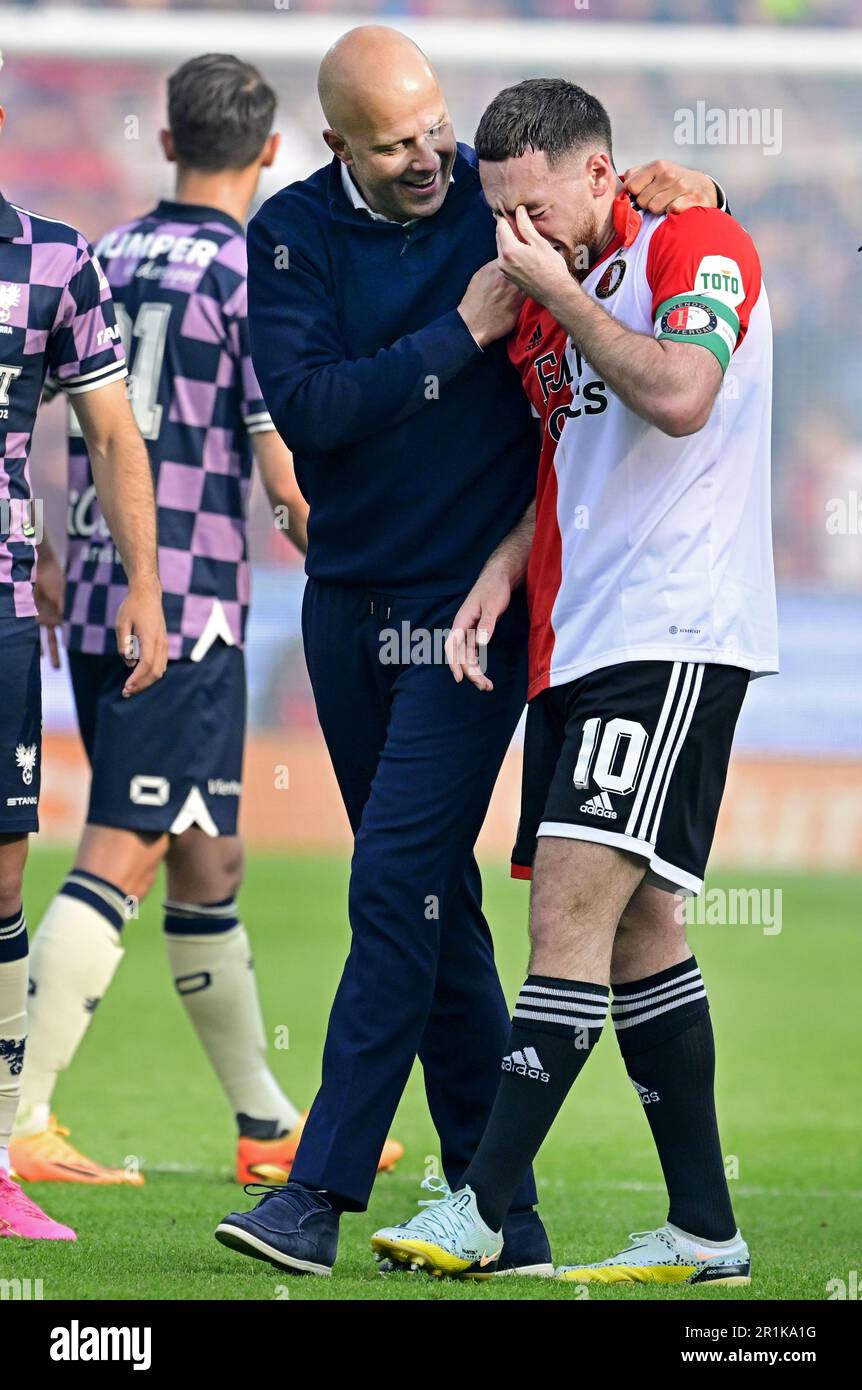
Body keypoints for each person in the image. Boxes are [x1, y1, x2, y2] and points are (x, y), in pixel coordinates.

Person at [215, 26, 725, 1278]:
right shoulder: (284, 236)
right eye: (392, 142)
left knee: (393, 879)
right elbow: (316, 410)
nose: (428, 154)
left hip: (469, 619)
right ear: (336, 144)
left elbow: (623, 240)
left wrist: (695, 184)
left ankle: (314, 1192)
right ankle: (504, 1211)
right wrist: (455, 332)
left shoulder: (488, 199)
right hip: (345, 608)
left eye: (433, 122)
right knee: (429, 898)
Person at [371, 77, 776, 1285]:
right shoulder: (554, 302)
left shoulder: (691, 240)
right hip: (580, 640)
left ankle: (478, 1207)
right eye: (502, 214)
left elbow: (677, 396)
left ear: (601, 173)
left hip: (670, 632)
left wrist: (553, 289)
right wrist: (506, 567)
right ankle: (705, 1228)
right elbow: (576, 455)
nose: (519, 238)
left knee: (564, 925)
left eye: (536, 208)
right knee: (639, 928)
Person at [9, 54, 394, 1194]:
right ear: (270, 152)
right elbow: (280, 465)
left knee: (207, 851)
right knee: (130, 838)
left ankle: (264, 1121)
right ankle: (19, 1115)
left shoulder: (101, 253)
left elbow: (46, 416)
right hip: (178, 606)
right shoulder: (249, 271)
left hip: (89, 578)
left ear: (168, 142)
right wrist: (365, 555)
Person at [0, 52, 167, 1237]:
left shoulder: (54, 255)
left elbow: (109, 434)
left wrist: (139, 583)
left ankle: (2, 1158)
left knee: (3, 877)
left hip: (3, 602)